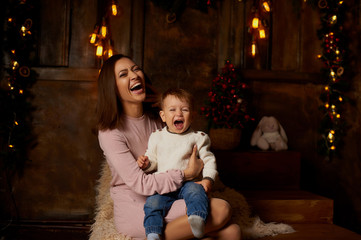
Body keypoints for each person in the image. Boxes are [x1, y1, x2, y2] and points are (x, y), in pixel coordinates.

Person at [96, 54, 241, 240]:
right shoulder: (110, 132)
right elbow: (141, 183)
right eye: (123, 74)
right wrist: (186, 174)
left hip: (168, 196)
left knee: (233, 232)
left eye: (136, 69)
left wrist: (162, 98)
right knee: (221, 210)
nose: (134, 75)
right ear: (113, 89)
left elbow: (184, 142)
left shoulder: (159, 118)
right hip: (138, 207)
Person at [137, 88, 217, 240]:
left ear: (192, 116)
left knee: (197, 191)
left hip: (188, 183)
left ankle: (197, 219)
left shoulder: (198, 138)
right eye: (172, 110)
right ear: (163, 116)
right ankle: (153, 232)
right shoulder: (157, 137)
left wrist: (208, 179)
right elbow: (153, 160)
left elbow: (209, 160)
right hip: (164, 185)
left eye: (184, 110)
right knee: (152, 203)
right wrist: (146, 163)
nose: (178, 114)